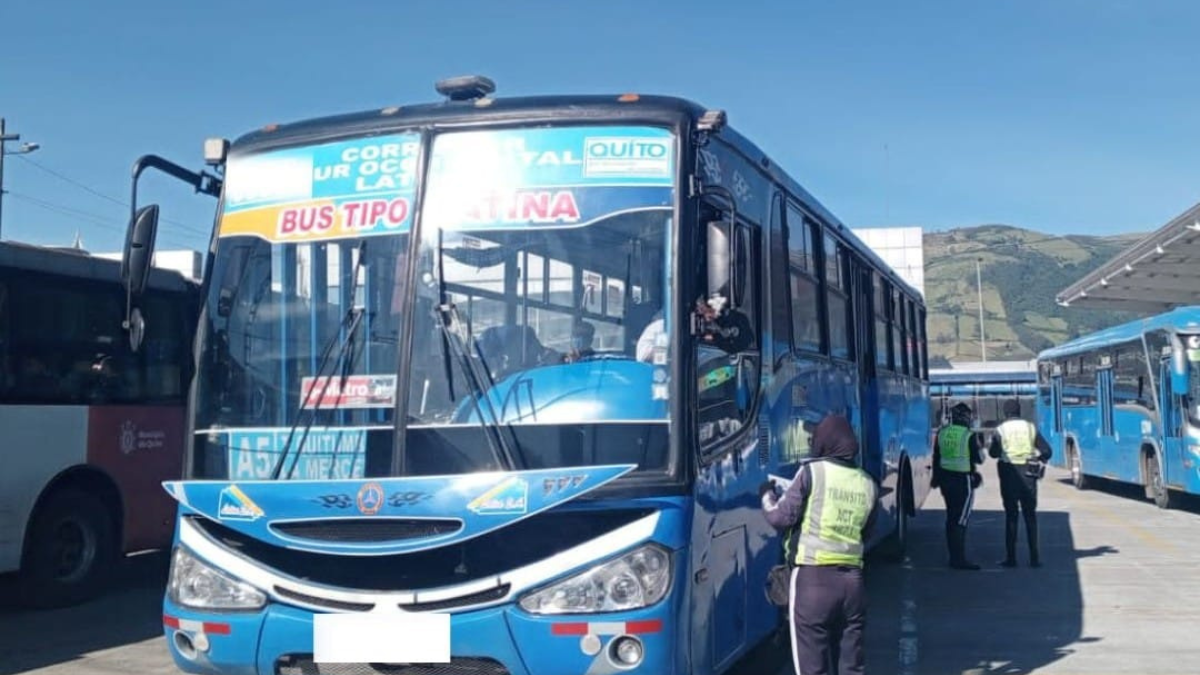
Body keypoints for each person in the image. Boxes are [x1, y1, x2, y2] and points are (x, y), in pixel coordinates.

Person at [760, 414, 879, 675]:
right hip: (853, 585)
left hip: (813, 583)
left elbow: (780, 518)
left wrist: (766, 496)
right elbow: (867, 533)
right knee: (851, 667)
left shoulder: (813, 472)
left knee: (813, 668)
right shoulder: (868, 483)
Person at [989, 399, 1052, 568]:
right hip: (1028, 474)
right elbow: (1047, 451)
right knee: (1030, 516)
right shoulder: (1030, 428)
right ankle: (1034, 558)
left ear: (1006, 413)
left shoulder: (1001, 429)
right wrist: (1038, 459)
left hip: (1009, 473)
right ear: (1019, 411)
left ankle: (1011, 558)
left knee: (1011, 516)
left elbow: (993, 453)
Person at [932, 402, 985, 570]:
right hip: (963, 481)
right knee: (961, 520)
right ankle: (959, 559)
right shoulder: (968, 435)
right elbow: (980, 459)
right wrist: (980, 444)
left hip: (945, 480)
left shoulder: (942, 432)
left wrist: (935, 479)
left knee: (951, 518)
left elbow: (936, 457)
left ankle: (953, 556)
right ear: (967, 418)